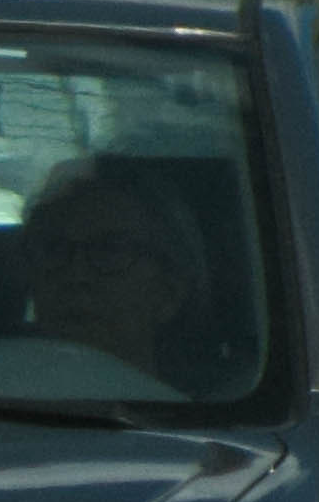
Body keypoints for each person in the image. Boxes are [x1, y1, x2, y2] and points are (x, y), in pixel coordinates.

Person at [14, 161, 213, 388]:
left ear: (168, 292)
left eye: (110, 250)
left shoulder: (217, 414)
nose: (76, 275)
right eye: (54, 249)